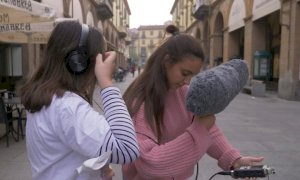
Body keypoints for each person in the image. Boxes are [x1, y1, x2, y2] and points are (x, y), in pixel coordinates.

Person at [122, 25, 263, 179]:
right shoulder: (141, 102)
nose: (187, 81)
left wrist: (235, 160)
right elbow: (150, 163)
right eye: (184, 73)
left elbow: (209, 129)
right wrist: (199, 128)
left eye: (192, 75)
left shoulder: (183, 92)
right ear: (167, 62)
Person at [20, 21, 139, 180]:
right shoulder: (68, 107)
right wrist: (106, 83)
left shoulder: (49, 99)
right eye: (100, 58)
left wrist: (95, 170)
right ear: (79, 62)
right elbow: (127, 149)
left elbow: (66, 149)